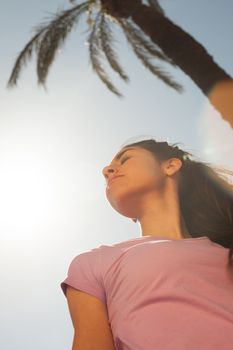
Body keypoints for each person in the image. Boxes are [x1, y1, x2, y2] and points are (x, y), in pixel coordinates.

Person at [61, 138, 233, 350]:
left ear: (170, 166)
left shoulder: (226, 254)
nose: (106, 170)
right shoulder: (92, 264)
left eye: (125, 158)